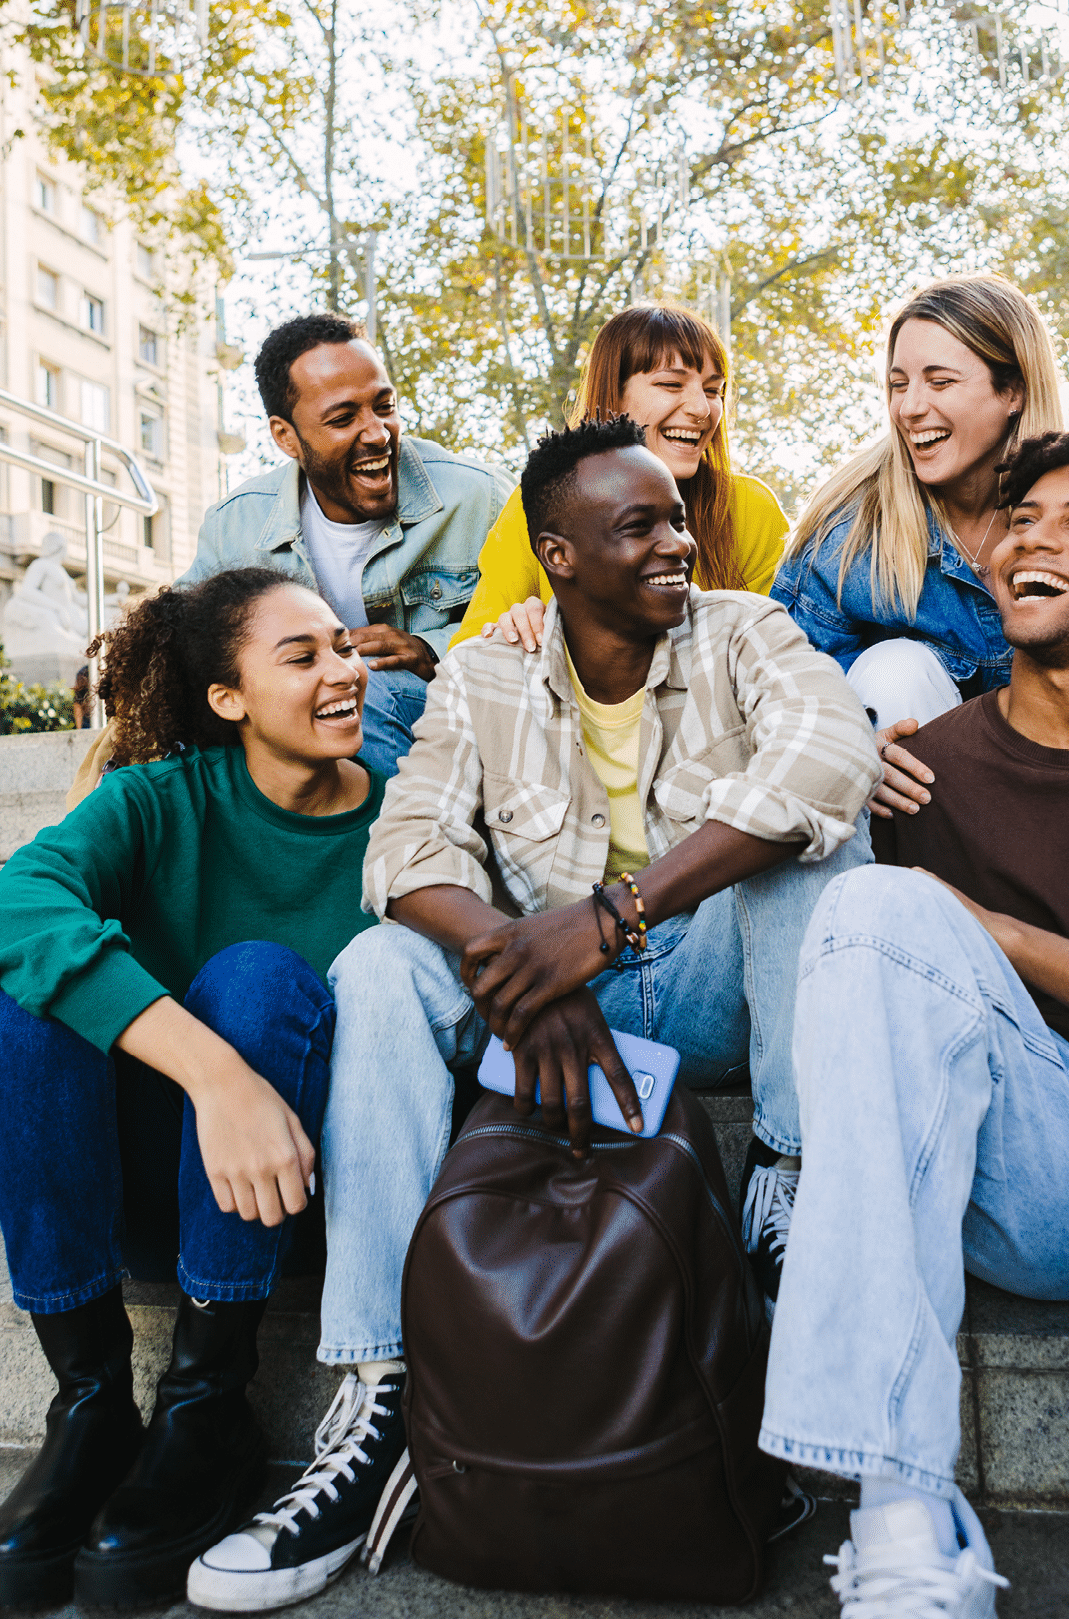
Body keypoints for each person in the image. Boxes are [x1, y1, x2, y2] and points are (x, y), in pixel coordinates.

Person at [187, 414, 880, 1612]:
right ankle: (378, 1393)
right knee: (380, 968)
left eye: (677, 516)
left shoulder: (744, 628)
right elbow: (405, 848)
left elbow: (828, 759)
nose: (677, 542)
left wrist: (605, 921)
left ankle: (785, 1180)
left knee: (817, 854)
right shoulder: (487, 672)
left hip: (707, 983)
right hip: (551, 990)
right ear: (556, 553)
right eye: (640, 525)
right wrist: (527, 969)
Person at [761, 425, 1069, 1619]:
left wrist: (1012, 939)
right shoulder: (924, 769)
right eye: (1019, 518)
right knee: (871, 904)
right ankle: (905, 1523)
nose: (1033, 534)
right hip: (1001, 1147)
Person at [0, 569, 387, 1609]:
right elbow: (13, 904)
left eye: (343, 646)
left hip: (298, 1204)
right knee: (25, 993)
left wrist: (252, 1065)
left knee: (256, 978)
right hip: (136, 1198)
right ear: (228, 699)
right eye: (301, 656)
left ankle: (206, 1403)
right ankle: (88, 1402)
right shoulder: (158, 801)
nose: (343, 670)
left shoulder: (408, 817)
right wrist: (215, 1073)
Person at [772, 273, 1069, 819]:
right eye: (899, 384)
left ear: (1013, 391)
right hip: (925, 803)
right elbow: (784, 680)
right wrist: (848, 747)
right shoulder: (852, 533)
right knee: (893, 668)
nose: (910, 408)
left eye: (940, 382)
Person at [68, 313, 512, 799]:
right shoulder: (236, 526)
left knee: (362, 687)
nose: (378, 434)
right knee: (137, 752)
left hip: (435, 711)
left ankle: (394, 860)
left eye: (384, 406)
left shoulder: (480, 497)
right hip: (289, 729)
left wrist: (434, 648)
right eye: (344, 418)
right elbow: (180, 653)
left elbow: (551, 628)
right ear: (285, 437)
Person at [451, 302, 788, 651]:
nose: (702, 409)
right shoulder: (539, 502)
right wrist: (509, 632)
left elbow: (780, 652)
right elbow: (467, 653)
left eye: (713, 389)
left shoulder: (749, 509)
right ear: (615, 394)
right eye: (672, 384)